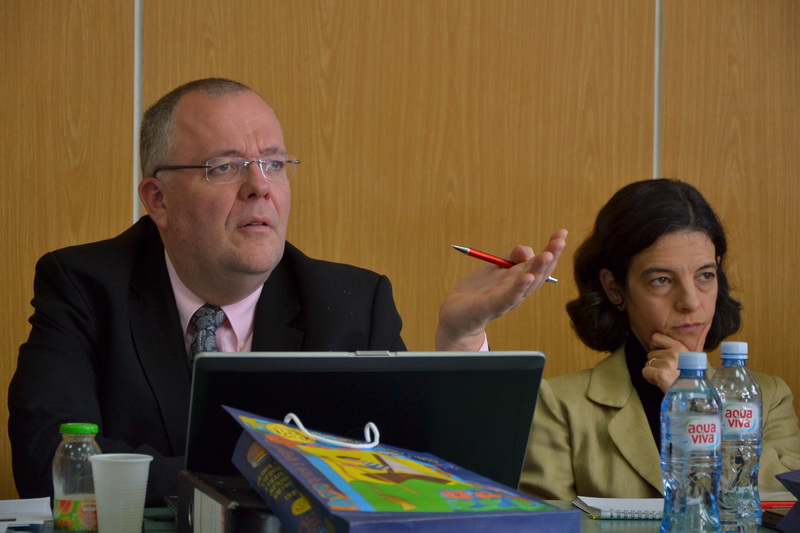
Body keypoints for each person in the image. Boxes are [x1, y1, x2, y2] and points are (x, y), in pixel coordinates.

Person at [8, 77, 567, 505]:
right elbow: (52, 465)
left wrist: (460, 340)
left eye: (273, 164)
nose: (260, 187)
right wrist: (284, 473)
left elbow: (409, 476)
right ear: (158, 200)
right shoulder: (84, 285)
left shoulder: (352, 302)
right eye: (225, 167)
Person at [519, 178, 800, 500]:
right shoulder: (557, 405)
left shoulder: (768, 396)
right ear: (614, 288)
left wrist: (698, 407)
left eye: (705, 275)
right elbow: (544, 521)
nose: (690, 302)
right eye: (662, 280)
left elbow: (785, 502)